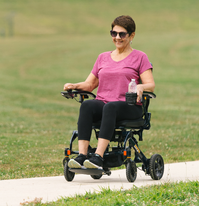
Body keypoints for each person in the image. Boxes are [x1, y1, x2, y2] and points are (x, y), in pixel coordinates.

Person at [63, 15, 155, 169]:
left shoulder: (140, 57)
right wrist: (74, 85)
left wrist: (141, 87)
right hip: (105, 104)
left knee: (110, 106)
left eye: (122, 34)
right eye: (114, 33)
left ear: (132, 35)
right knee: (87, 106)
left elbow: (150, 85)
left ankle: (98, 157)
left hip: (129, 106)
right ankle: (82, 156)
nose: (117, 37)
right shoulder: (103, 57)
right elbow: (90, 84)